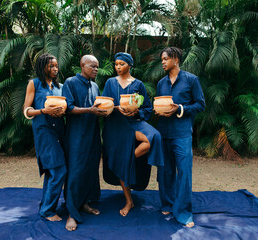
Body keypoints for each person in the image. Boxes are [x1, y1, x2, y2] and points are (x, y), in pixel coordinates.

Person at [102, 52, 164, 217]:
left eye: (122, 64)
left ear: (129, 65)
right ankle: (129, 201)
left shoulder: (138, 84)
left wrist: (136, 111)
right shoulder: (110, 82)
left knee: (154, 137)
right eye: (116, 64)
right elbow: (104, 105)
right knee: (124, 162)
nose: (118, 67)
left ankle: (126, 159)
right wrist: (116, 108)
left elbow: (148, 108)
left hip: (133, 123)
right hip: (115, 125)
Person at [156, 47, 205, 228]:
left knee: (183, 172)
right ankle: (168, 204)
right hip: (163, 133)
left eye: (165, 59)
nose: (162, 62)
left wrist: (180, 109)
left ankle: (184, 212)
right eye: (162, 59)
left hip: (182, 133)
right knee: (165, 172)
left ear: (176, 59)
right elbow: (161, 104)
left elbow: (200, 104)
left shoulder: (192, 80)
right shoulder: (161, 83)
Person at [62, 55, 107, 231]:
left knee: (90, 169)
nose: (96, 69)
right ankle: (72, 213)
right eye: (93, 66)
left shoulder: (95, 86)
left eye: (97, 67)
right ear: (82, 65)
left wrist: (105, 111)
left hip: (93, 134)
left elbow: (97, 107)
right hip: (76, 136)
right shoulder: (70, 82)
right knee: (75, 172)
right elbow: (68, 108)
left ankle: (85, 203)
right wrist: (90, 110)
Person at [23, 53, 67, 221]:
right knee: (59, 170)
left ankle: (45, 206)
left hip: (59, 130)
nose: (55, 69)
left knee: (52, 170)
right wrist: (44, 111)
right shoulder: (33, 84)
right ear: (42, 67)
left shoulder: (60, 87)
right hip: (44, 130)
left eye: (56, 66)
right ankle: (48, 211)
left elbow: (65, 108)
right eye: (51, 66)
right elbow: (26, 110)